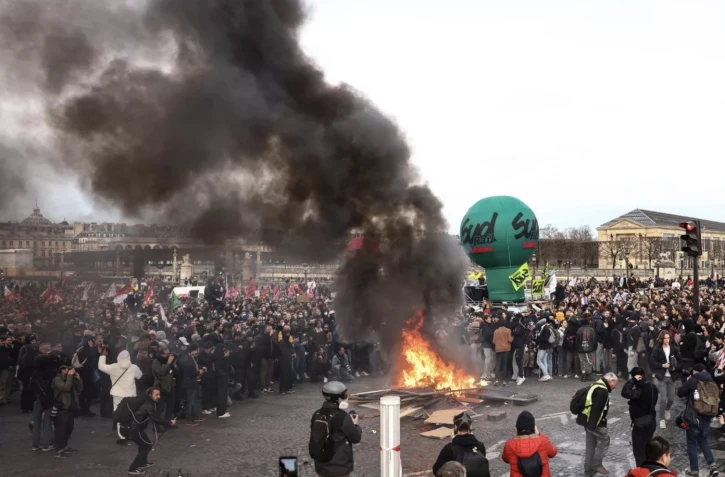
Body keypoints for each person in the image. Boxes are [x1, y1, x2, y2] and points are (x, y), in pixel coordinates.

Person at [311, 381, 362, 477]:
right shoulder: (342, 417)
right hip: (339, 468)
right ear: (337, 398)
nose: (345, 397)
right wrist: (355, 425)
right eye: (344, 395)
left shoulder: (316, 414)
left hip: (321, 467)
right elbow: (355, 438)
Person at [676, 363, 719, 477]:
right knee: (703, 440)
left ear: (695, 371)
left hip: (694, 417)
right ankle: (713, 466)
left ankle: (694, 470)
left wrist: (688, 381)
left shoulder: (693, 380)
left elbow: (680, 393)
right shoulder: (712, 381)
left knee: (691, 442)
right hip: (708, 416)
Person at [576, 372, 618, 477]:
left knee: (590, 446)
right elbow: (596, 410)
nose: (615, 387)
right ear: (610, 381)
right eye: (615, 384)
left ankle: (588, 469)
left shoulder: (596, 385)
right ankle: (596, 464)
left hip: (586, 420)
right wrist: (592, 426)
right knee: (605, 440)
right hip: (595, 423)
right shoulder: (603, 391)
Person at [128, 387, 178, 476]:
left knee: (145, 444)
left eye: (159, 394)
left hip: (135, 428)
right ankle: (133, 468)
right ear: (150, 395)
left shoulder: (148, 402)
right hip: (133, 428)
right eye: (156, 395)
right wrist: (169, 422)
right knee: (146, 446)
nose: (159, 396)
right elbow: (156, 419)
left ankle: (143, 463)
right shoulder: (148, 404)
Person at [621, 367, 658, 466]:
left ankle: (642, 472)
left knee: (639, 451)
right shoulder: (652, 387)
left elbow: (624, 392)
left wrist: (632, 381)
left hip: (641, 424)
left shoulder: (640, 390)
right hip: (651, 421)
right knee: (647, 448)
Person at [432, 412, 489, 477]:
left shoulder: (449, 449)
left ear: (455, 427)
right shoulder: (480, 446)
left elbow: (436, 470)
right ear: (470, 427)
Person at [502, 411, 557, 477]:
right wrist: (539, 434)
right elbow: (553, 452)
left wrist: (515, 437)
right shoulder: (543, 440)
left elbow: (505, 459)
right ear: (534, 428)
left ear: (517, 429)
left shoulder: (509, 445)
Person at [52, 364, 83, 459]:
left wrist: (78, 379)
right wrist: (69, 376)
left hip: (71, 408)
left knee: (69, 428)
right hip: (62, 408)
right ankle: (59, 450)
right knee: (61, 430)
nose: (70, 371)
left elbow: (80, 389)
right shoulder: (57, 379)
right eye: (68, 369)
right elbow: (66, 388)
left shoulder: (70, 378)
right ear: (62, 370)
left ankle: (65, 446)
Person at [649, 330, 679, 429]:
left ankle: (667, 409)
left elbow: (680, 360)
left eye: (668, 338)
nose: (667, 340)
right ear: (661, 339)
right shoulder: (657, 349)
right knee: (663, 399)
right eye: (665, 338)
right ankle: (661, 419)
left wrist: (675, 366)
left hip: (672, 376)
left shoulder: (674, 348)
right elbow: (652, 362)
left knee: (671, 399)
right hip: (662, 376)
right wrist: (662, 365)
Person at [493, 319, 513, 386]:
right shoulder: (508, 330)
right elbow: (510, 340)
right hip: (506, 349)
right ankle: (504, 380)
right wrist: (513, 336)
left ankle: (496, 379)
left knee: (498, 364)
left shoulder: (496, 331)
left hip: (498, 349)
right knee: (504, 364)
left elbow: (494, 341)